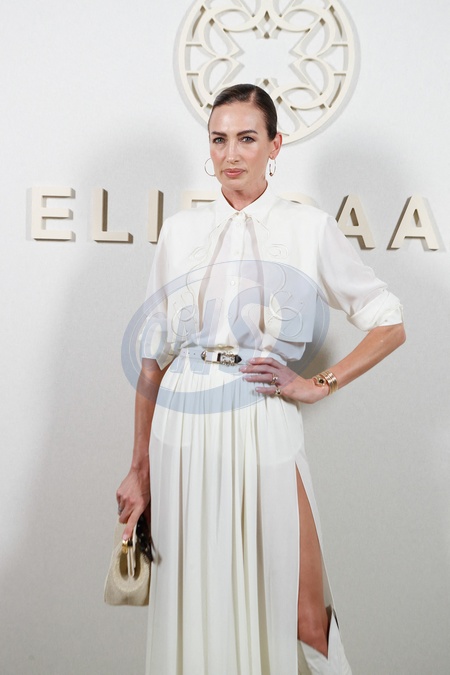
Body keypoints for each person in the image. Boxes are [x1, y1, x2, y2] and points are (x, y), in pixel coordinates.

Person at [116, 84, 405, 675]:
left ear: (275, 145)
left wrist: (318, 384)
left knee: (305, 613)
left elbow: (388, 321)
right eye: (219, 139)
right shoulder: (179, 232)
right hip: (183, 428)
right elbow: (151, 361)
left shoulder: (309, 227)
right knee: (199, 608)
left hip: (262, 416)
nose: (231, 154)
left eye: (247, 138)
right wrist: (138, 469)